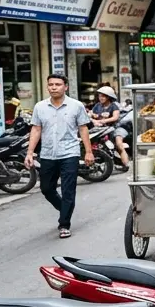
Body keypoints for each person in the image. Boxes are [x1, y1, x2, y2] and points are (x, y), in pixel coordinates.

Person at [25, 73, 93, 239]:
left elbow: (83, 129)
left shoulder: (76, 106)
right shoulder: (40, 107)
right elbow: (36, 129)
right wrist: (29, 152)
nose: (54, 87)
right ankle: (64, 207)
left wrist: (89, 151)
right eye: (51, 85)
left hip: (70, 152)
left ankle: (64, 224)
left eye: (57, 84)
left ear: (65, 87)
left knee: (68, 189)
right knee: (46, 188)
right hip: (47, 153)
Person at [89, 86, 129, 169]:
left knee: (119, 144)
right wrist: (93, 119)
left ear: (108, 97)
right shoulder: (97, 106)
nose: (101, 98)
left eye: (103, 96)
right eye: (100, 96)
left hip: (116, 128)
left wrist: (103, 121)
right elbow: (90, 114)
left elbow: (115, 117)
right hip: (102, 129)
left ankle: (126, 165)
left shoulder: (114, 106)